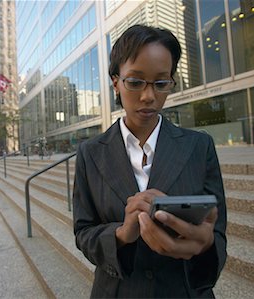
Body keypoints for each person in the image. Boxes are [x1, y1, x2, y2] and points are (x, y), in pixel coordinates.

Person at [72, 24, 227, 298]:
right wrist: (121, 234)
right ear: (115, 82)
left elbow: (216, 232)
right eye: (135, 82)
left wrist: (206, 245)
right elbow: (84, 232)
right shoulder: (90, 152)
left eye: (161, 83)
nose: (148, 96)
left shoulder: (199, 146)